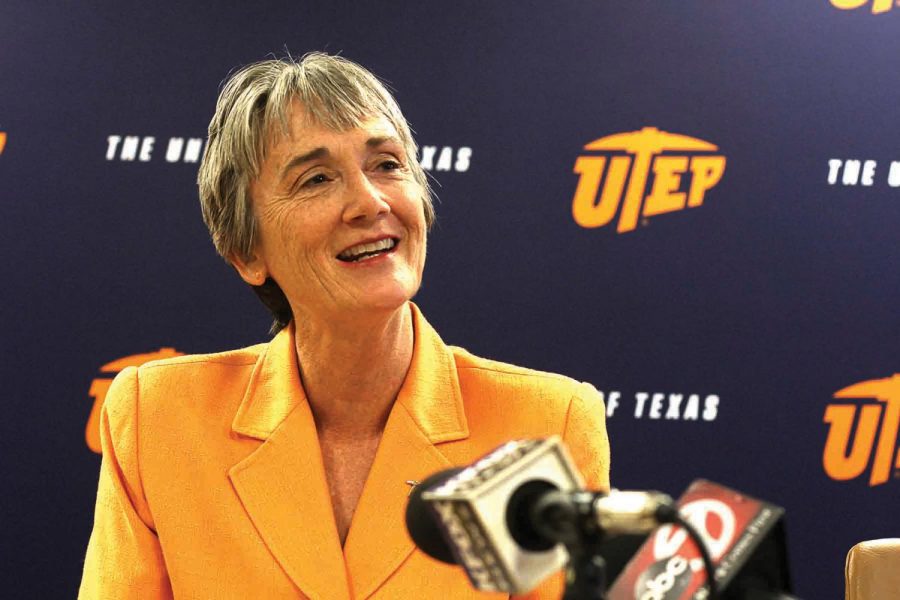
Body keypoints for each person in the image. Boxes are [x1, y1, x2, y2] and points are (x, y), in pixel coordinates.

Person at [79, 52, 610, 599]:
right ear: (245, 252)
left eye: (386, 164)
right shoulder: (158, 418)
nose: (369, 202)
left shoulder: (549, 422)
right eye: (316, 179)